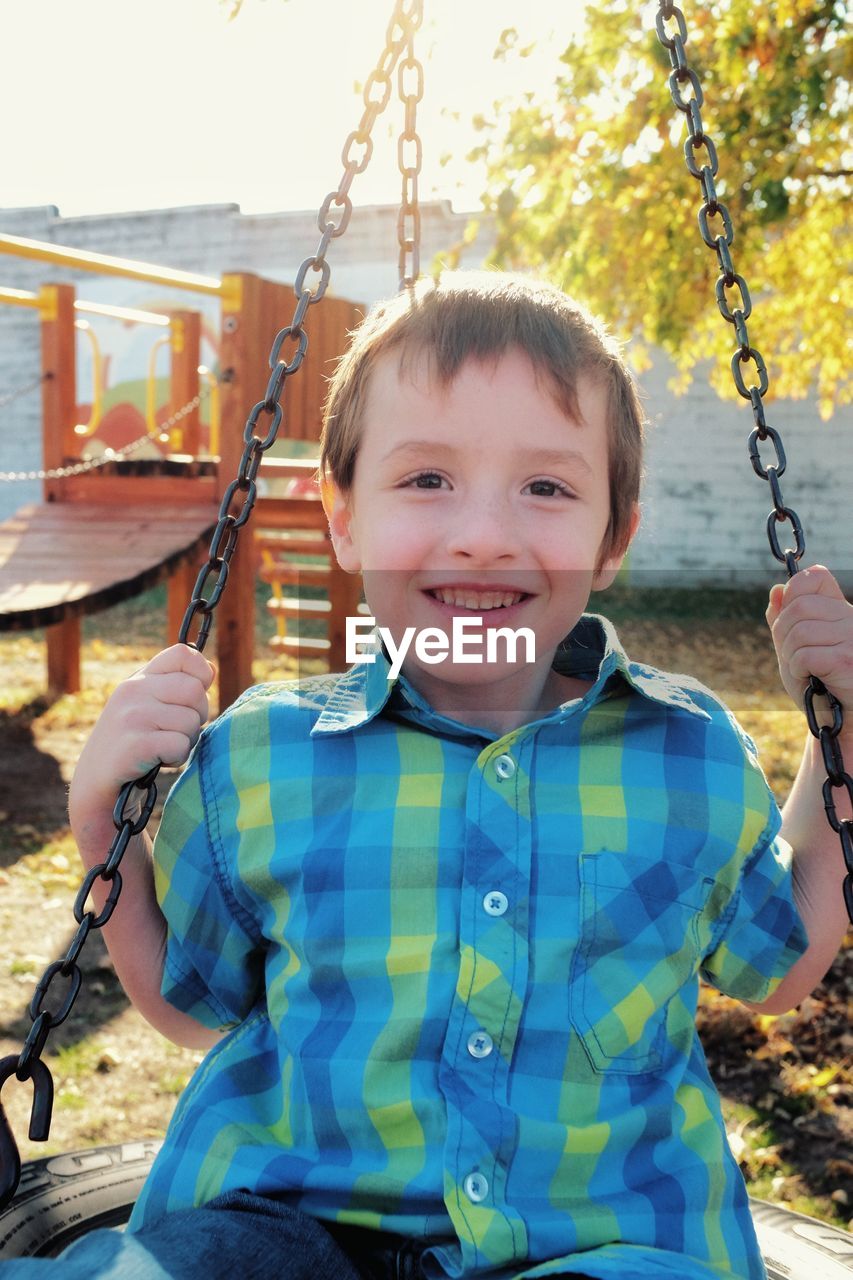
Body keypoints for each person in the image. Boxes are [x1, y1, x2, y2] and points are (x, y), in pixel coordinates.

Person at [3, 272, 850, 1280]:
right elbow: (195, 1002)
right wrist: (107, 828)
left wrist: (838, 733)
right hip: (289, 1229)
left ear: (613, 535)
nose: (483, 531)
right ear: (343, 515)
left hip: (594, 1240)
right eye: (425, 480)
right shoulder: (262, 754)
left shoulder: (685, 752)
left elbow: (779, 963)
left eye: (545, 486)